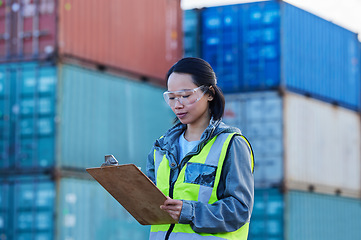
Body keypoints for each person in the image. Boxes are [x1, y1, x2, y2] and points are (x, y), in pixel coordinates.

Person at [146, 57, 254, 240]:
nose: (177, 105)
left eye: (186, 96)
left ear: (209, 93)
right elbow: (150, 202)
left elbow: (240, 210)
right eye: (171, 98)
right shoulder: (161, 147)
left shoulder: (232, 144)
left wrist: (190, 211)